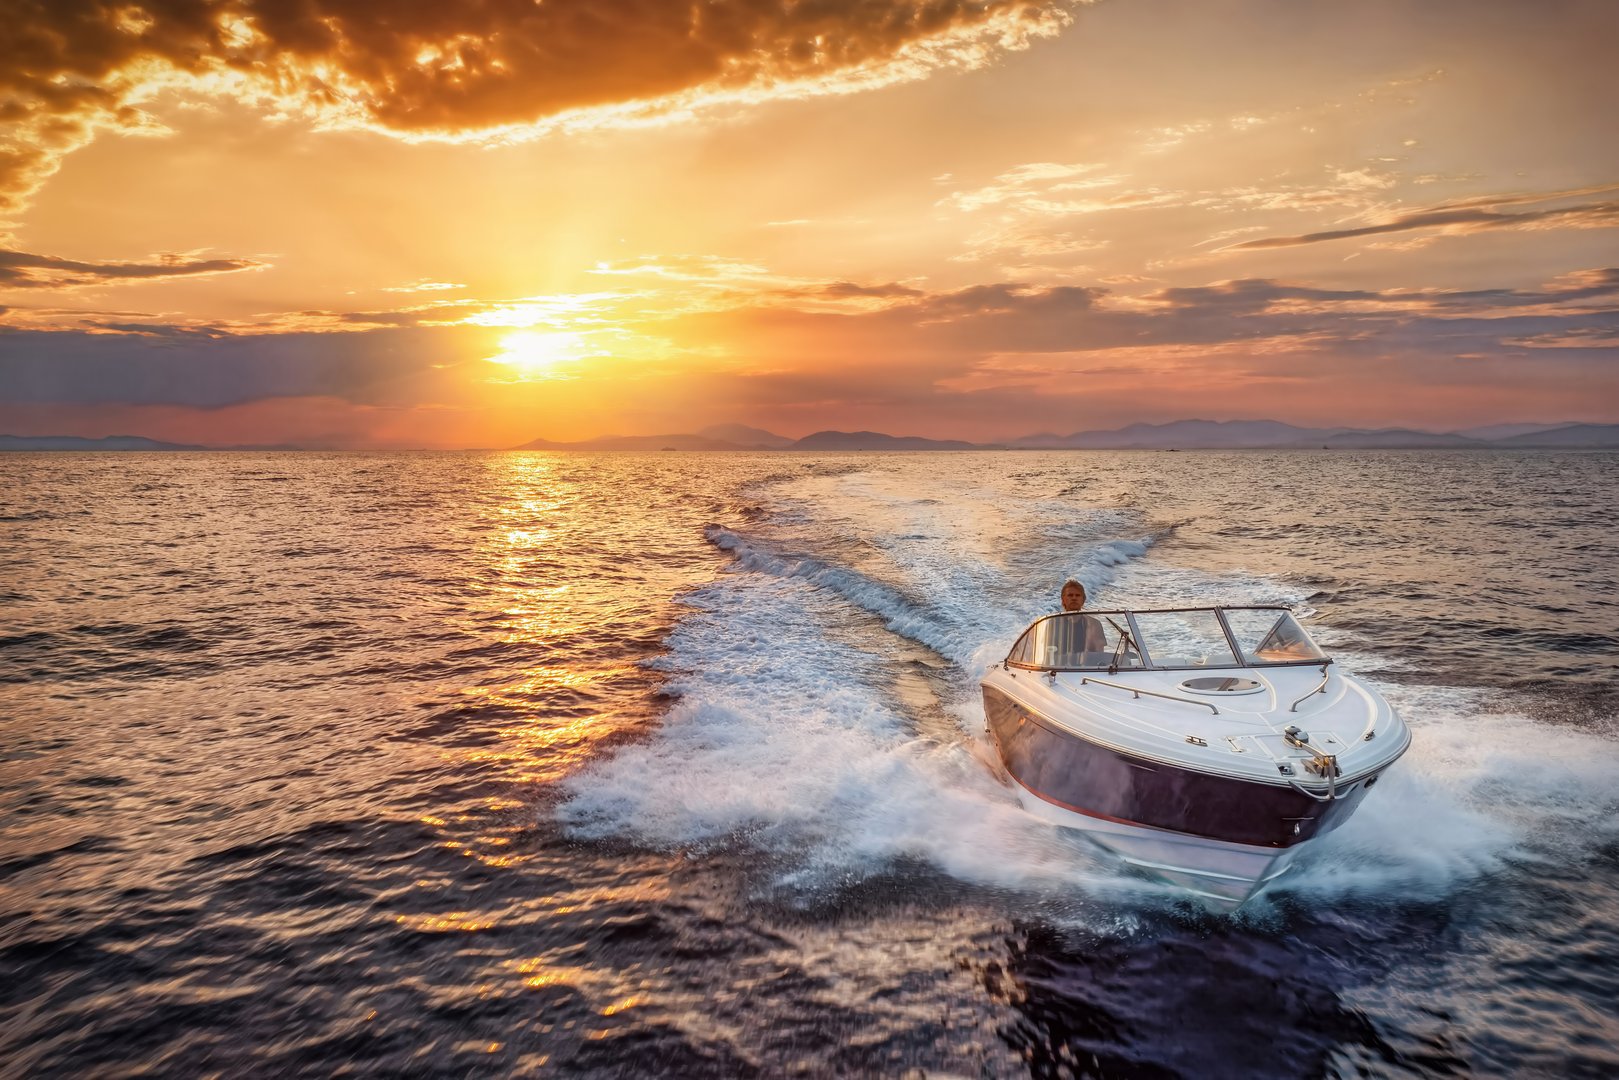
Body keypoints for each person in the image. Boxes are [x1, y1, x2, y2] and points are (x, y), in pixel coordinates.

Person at [1058, 578, 1108, 657]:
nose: (1074, 598)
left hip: (1086, 667)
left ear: (1083, 600)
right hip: (1058, 668)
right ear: (1063, 599)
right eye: (1070, 595)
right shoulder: (1053, 624)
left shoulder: (1094, 624)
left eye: (1077, 595)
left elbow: (1100, 654)